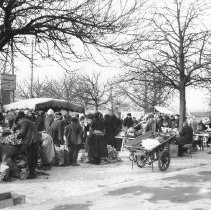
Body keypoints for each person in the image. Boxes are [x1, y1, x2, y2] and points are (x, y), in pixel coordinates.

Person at [14, 112, 41, 179]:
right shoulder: (28, 121)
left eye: (18, 122)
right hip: (35, 140)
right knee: (34, 157)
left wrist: (16, 136)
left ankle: (31, 174)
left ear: (19, 119)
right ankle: (33, 172)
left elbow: (22, 133)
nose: (18, 124)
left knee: (30, 157)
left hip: (31, 141)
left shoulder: (24, 122)